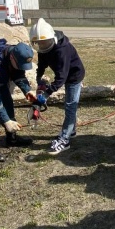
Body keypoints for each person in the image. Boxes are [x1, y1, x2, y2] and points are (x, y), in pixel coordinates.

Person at [29, 18, 86, 155]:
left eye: (45, 42)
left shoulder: (62, 50)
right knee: (69, 105)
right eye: (39, 43)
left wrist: (46, 94)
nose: (42, 45)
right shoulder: (43, 48)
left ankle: (65, 139)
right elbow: (41, 65)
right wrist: (38, 80)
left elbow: (61, 78)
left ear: (51, 38)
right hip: (65, 74)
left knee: (70, 105)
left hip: (74, 75)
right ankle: (71, 131)